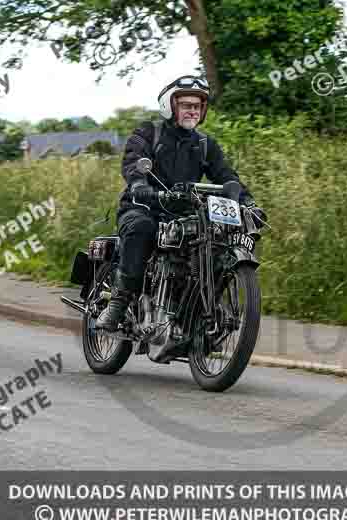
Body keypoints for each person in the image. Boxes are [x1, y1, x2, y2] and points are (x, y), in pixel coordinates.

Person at [98, 75, 264, 332]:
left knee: (214, 242)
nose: (193, 110)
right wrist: (140, 185)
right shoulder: (148, 132)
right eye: (186, 105)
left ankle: (194, 312)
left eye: (197, 106)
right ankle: (118, 303)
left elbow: (226, 176)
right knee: (141, 228)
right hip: (144, 207)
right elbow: (133, 162)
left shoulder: (205, 144)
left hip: (185, 214)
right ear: (171, 105)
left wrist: (247, 202)